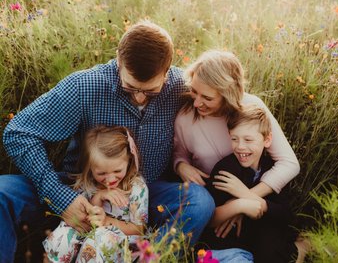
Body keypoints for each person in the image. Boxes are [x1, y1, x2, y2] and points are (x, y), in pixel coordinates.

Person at [1, 20, 214, 262]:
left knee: (199, 202)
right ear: (119, 61)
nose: (139, 97)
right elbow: (18, 133)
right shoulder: (85, 87)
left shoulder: (180, 86)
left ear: (168, 71)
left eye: (151, 91)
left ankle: (147, 258)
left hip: (144, 197)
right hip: (79, 189)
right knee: (2, 192)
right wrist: (61, 198)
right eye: (130, 87)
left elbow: (230, 97)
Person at [173, 50, 300, 260]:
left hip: (258, 194)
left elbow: (288, 163)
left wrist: (246, 197)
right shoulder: (186, 118)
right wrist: (180, 165)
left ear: (228, 94)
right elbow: (179, 153)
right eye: (194, 92)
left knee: (269, 253)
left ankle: (299, 248)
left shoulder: (251, 107)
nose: (196, 102)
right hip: (217, 203)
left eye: (207, 97)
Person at [201, 105, 298, 263]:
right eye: (234, 139)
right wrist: (240, 205)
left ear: (267, 140)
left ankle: (299, 249)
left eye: (248, 139)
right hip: (228, 245)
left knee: (272, 246)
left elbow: (285, 215)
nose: (240, 146)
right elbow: (209, 219)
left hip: (262, 239)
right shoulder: (225, 170)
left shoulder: (273, 170)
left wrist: (247, 196)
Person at [43, 125, 148, 262]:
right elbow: (82, 217)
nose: (110, 179)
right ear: (90, 167)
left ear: (129, 161)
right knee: (64, 234)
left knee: (100, 238)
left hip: (118, 242)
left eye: (117, 171)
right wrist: (98, 197)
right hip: (87, 232)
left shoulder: (136, 188)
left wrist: (106, 221)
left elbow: (139, 229)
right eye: (101, 173)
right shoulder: (87, 184)